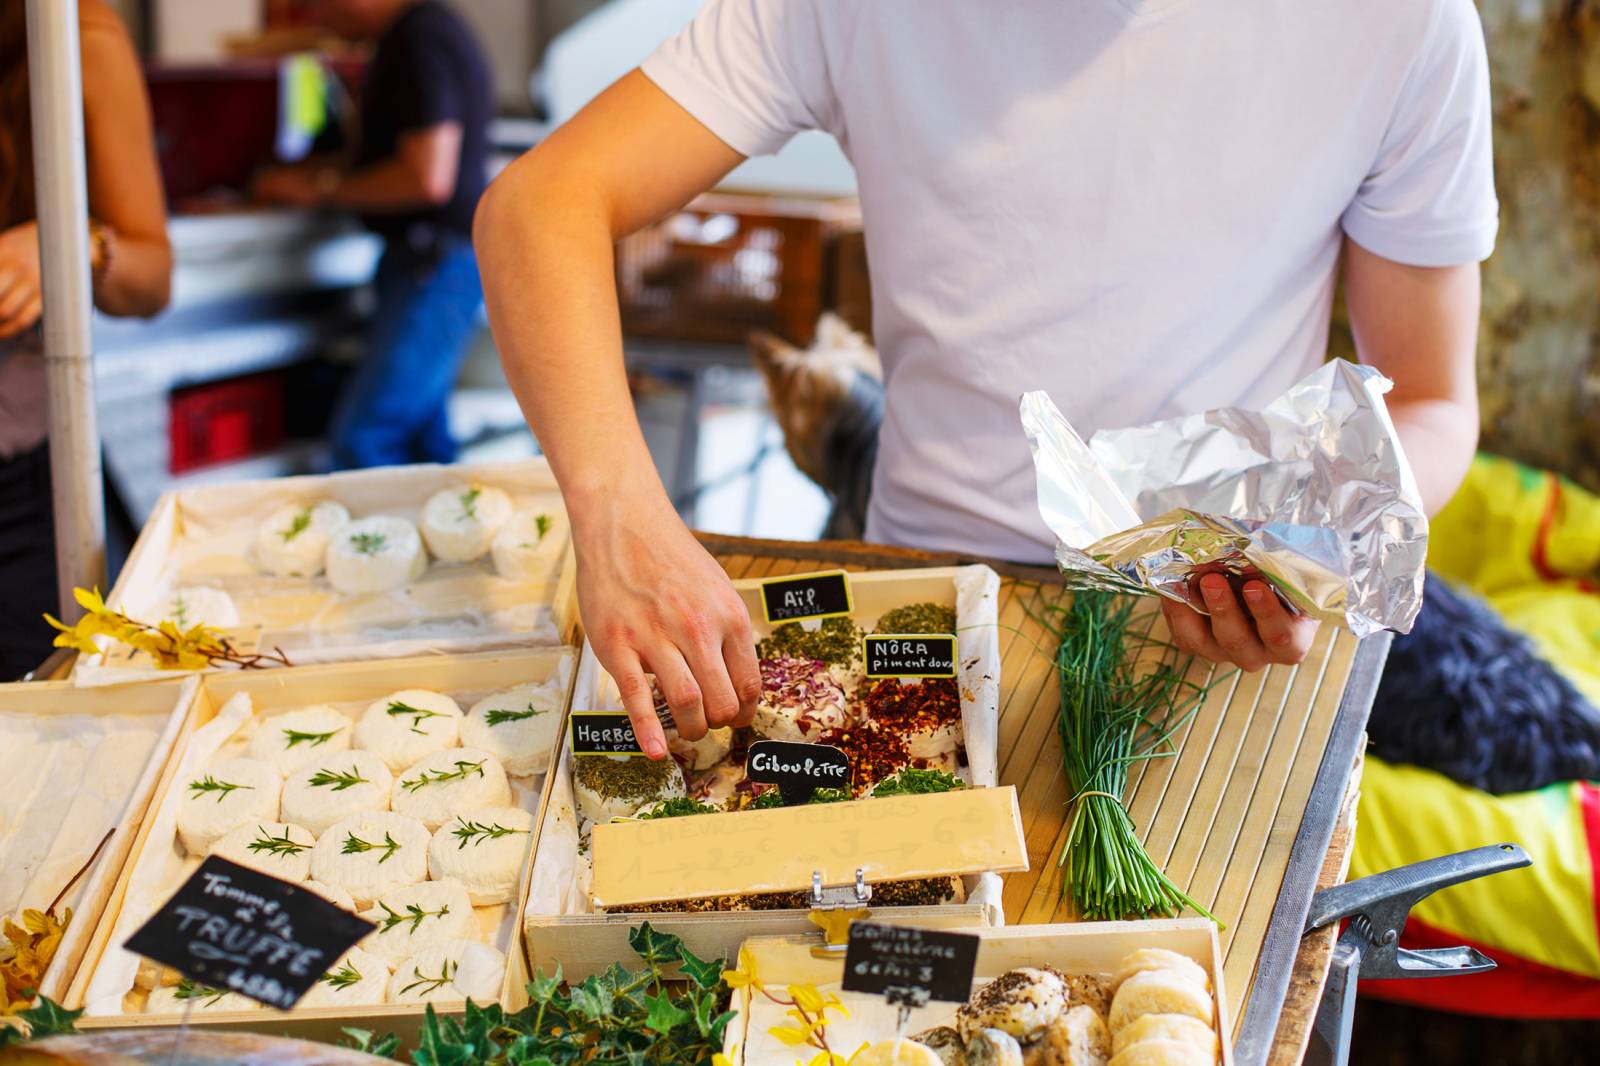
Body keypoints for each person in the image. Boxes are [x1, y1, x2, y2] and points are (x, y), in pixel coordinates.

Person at [473, 0, 1495, 755]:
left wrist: (1305, 545)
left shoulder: (1397, 23)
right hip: (917, 604)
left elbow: (1432, 398)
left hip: (1210, 644)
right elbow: (541, 202)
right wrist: (620, 514)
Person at [0, 0, 172, 680]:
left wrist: (69, 242)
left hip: (23, 493)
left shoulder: (71, 38)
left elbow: (151, 276)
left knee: (66, 725)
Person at [254, 0, 492, 469]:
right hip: (431, 262)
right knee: (423, 443)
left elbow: (427, 175)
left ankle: (371, 544)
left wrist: (322, 190)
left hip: (434, 264)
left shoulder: (419, 35)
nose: (319, 17)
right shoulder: (418, 33)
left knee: (366, 440)